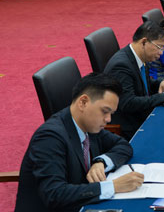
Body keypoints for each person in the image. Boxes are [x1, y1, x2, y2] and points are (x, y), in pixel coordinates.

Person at [15, 73, 145, 212]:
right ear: (83, 102)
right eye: (105, 111)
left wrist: (101, 162)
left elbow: (123, 146)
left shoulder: (88, 125)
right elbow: (55, 194)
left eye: (111, 113)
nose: (108, 119)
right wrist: (114, 186)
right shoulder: (49, 137)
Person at [104, 21, 164, 140]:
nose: (161, 53)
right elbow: (128, 103)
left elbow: (142, 83)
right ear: (144, 42)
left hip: (142, 114)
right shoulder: (121, 66)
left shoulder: (140, 57)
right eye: (159, 47)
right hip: (130, 127)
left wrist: (161, 83)